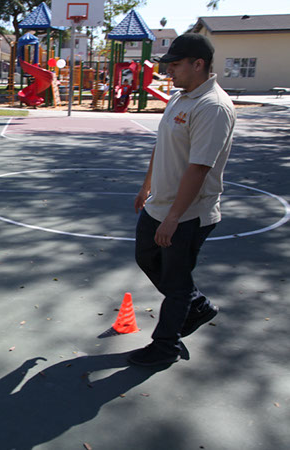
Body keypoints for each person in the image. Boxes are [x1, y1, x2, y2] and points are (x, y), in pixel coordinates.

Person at [130, 33, 236, 366]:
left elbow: (199, 168)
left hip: (189, 213)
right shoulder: (180, 97)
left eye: (175, 65)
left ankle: (165, 347)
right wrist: (146, 185)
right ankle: (197, 305)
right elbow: (161, 145)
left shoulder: (213, 107)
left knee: (176, 282)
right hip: (159, 203)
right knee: (146, 257)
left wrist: (174, 217)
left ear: (198, 64)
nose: (169, 71)